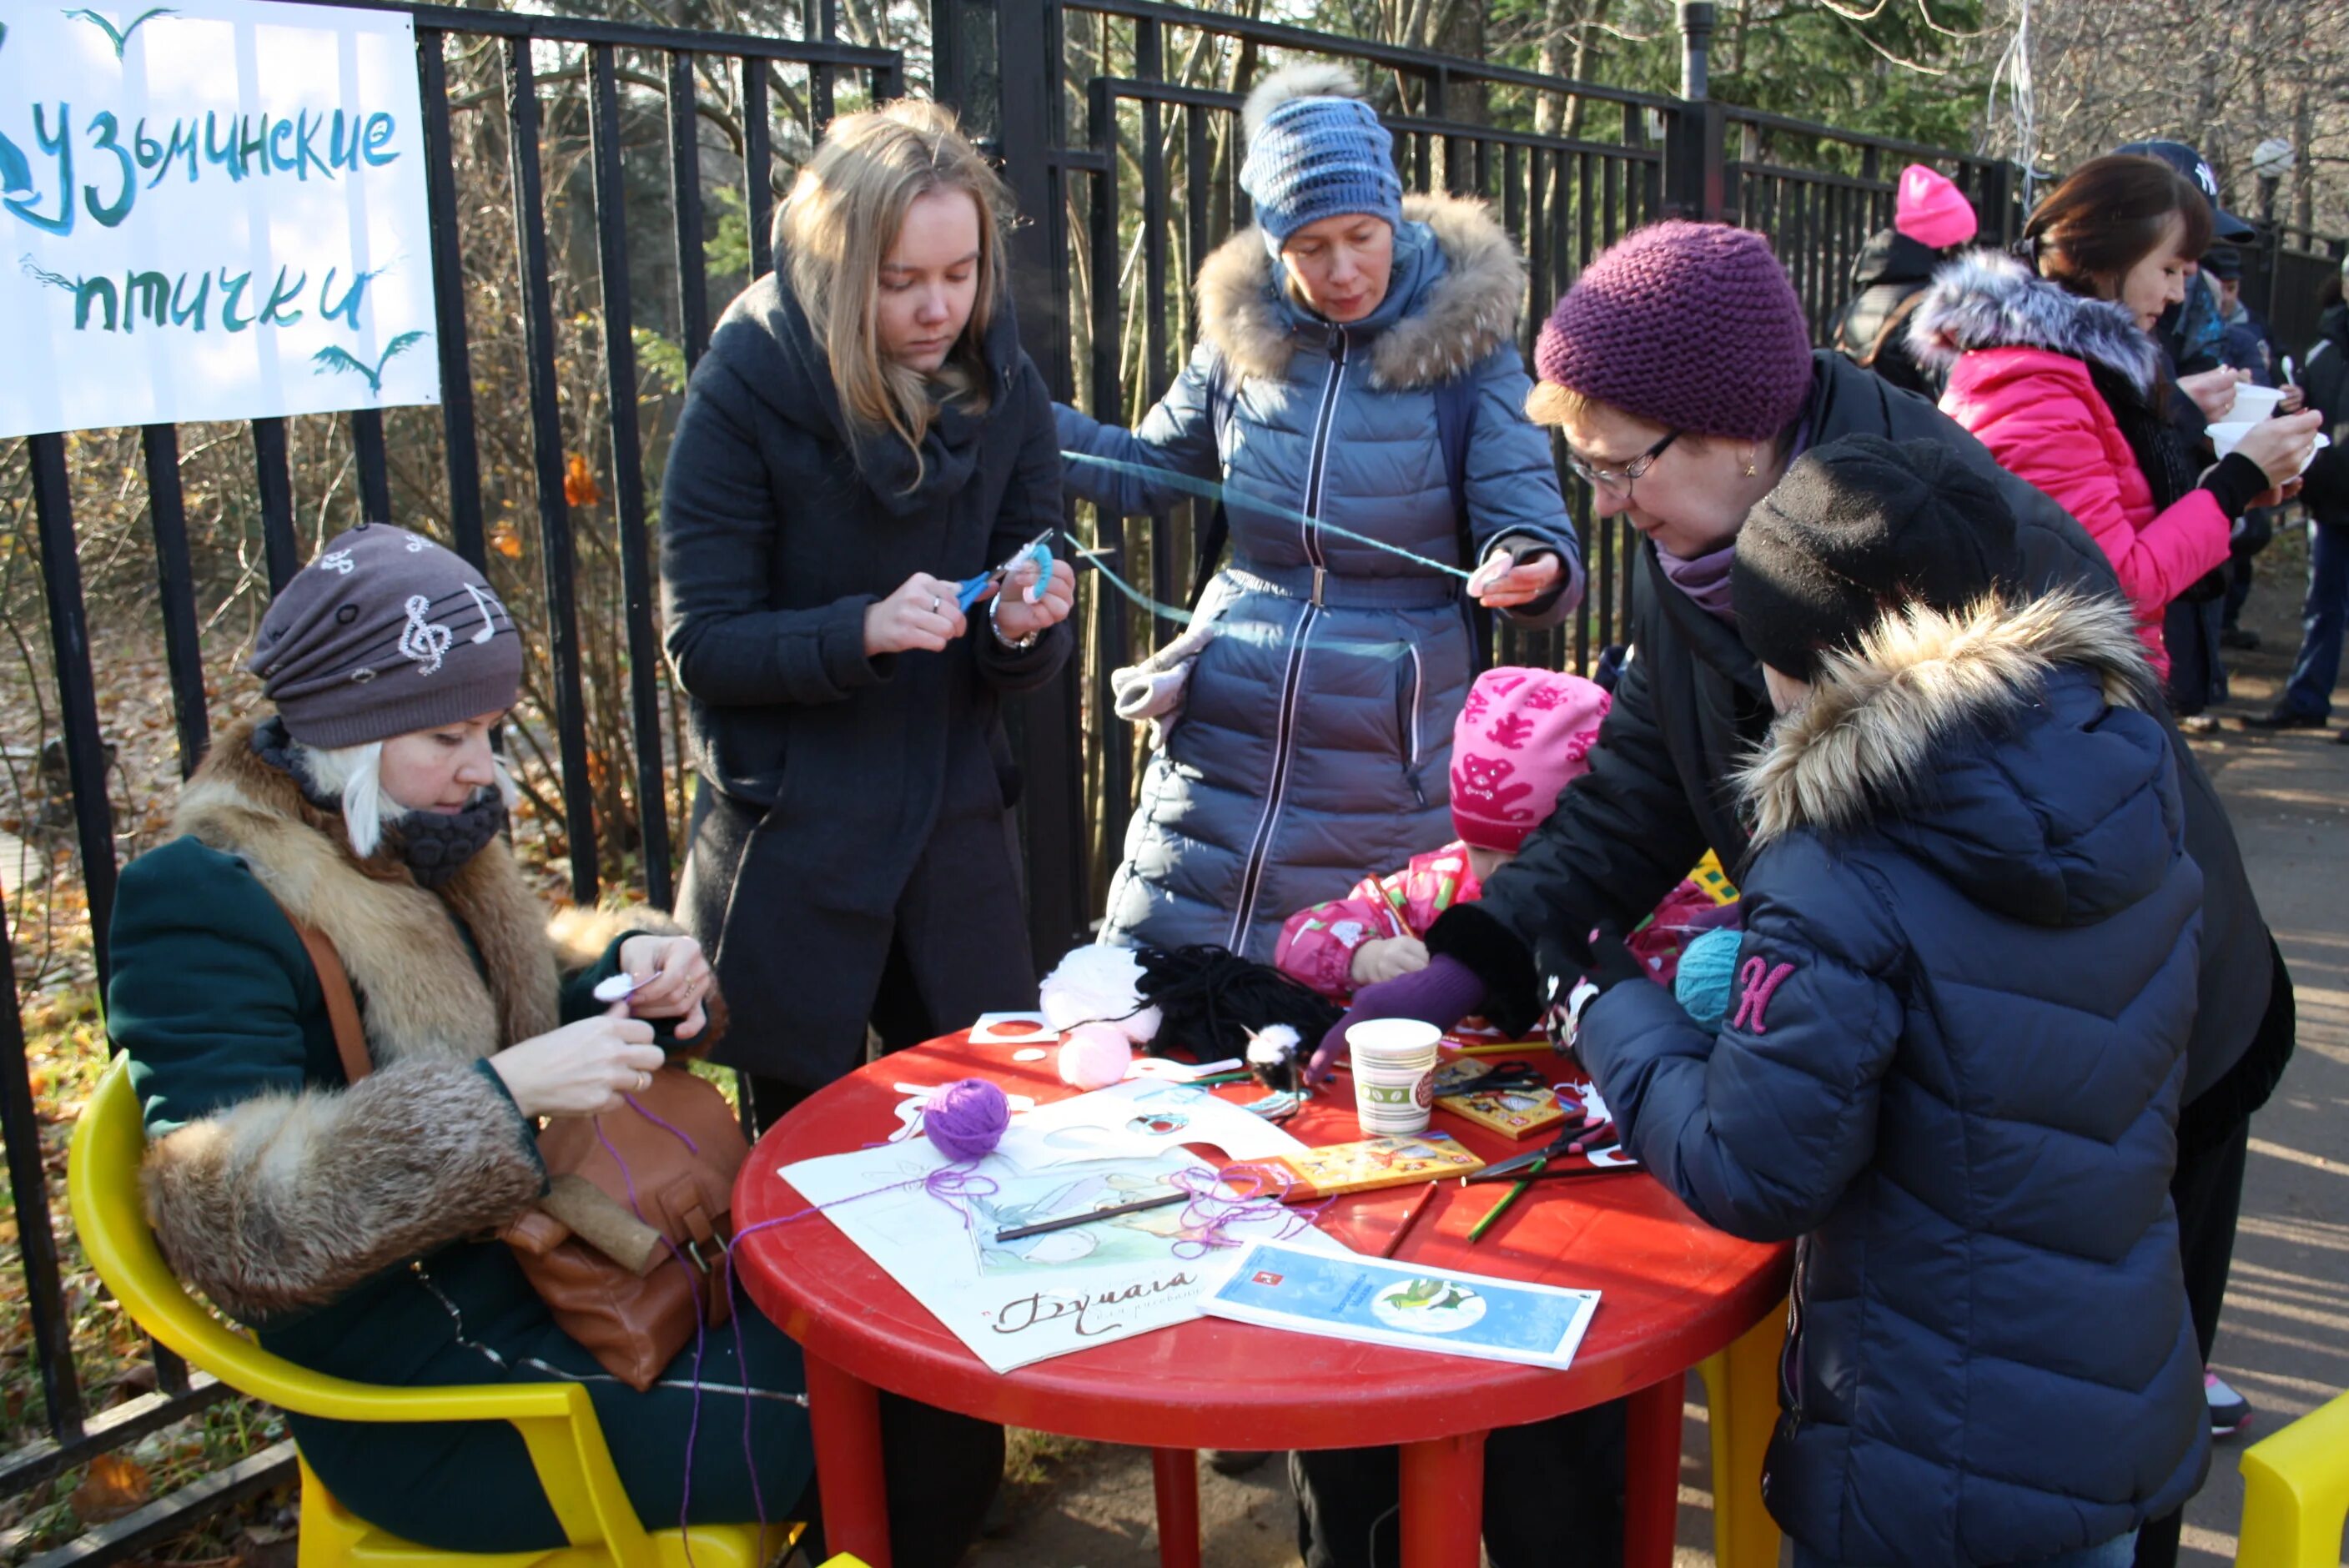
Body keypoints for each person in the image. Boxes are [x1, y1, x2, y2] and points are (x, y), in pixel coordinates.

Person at [1302, 219, 2294, 1567]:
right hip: (1962, 1058)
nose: (1602, 501)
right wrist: (1477, 952)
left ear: (1736, 431)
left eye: (1618, 464)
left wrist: (1677, 1001)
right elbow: (1638, 780)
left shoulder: (1921, 535)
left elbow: (2042, 854)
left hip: (2131, 1049)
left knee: (2082, 1430)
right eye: (1581, 465)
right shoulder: (1714, 533)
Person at [106, 525, 1003, 1563]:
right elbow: (229, 1218)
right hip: (429, 1383)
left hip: (568, 1276)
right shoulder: (201, 898)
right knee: (901, 1414)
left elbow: (517, 986)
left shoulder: (403, 828)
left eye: (488, 729)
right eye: (447, 736)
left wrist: (634, 969)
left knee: (915, 1353)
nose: (481, 770)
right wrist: (498, 1093)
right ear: (347, 728)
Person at [1570, 435, 2208, 1568]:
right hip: (2109, 1409)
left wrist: (1605, 1004)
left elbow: (1754, 1168)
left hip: (1930, 1456)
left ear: (1798, 655)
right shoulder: (2119, 768)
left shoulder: (1845, 859)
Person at [1057, 64, 1584, 962]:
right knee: (1163, 993)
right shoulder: (1237, 344)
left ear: (1392, 217)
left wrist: (1532, 566)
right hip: (1220, 744)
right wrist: (1013, 418)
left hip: (1386, 760)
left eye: (1360, 236)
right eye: (1308, 247)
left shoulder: (1469, 351)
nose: (1342, 271)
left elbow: (1532, 525)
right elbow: (1147, 473)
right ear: (1272, 247)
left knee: (1342, 1004)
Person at [660, 101, 1079, 1128]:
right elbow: (700, 641)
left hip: (955, 837)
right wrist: (859, 630)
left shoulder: (1006, 382)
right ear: (841, 267)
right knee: (804, 1164)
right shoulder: (746, 387)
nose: (938, 308)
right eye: (900, 282)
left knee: (989, 1138)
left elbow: (1034, 569)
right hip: (795, 843)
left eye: (960, 272)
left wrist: (1023, 624)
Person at [1908, 154, 2320, 681]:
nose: (2176, 294)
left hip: (2074, 691)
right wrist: (2231, 486)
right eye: (2169, 270)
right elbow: (2113, 585)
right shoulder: (2033, 384)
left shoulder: (2068, 371)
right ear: (2104, 261)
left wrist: (2223, 482)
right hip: (2056, 696)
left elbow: (2108, 529)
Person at [1275, 665, 1725, 1000]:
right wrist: (1365, 958)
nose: (1494, 872)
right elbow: (1300, 934)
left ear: (1587, 836)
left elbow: (1700, 980)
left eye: (1525, 851)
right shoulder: (1436, 887)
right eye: (1478, 845)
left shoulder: (1660, 906)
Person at [2248, 262, 2349, 735]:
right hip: (2332, 499)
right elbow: (2315, 411)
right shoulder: (2326, 347)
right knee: (2323, 604)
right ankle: (2307, 699)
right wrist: (2297, 401)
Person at [1827, 163, 1978, 398]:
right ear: (1948, 246)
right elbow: (1950, 399)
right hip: (1912, 433)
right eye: (1964, 244)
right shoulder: (1931, 309)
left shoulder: (1863, 297)